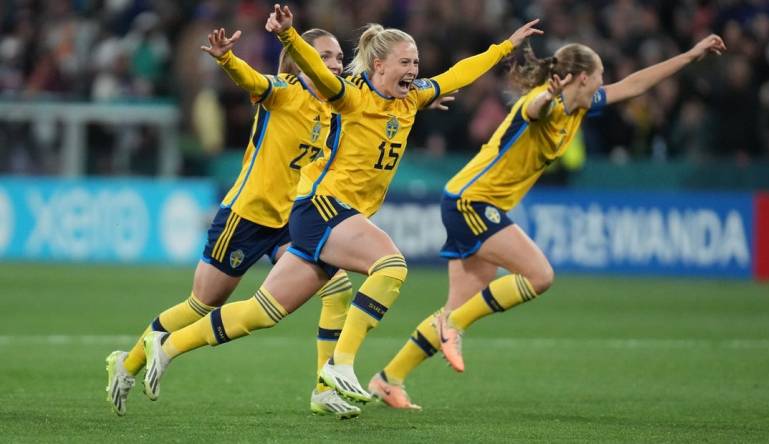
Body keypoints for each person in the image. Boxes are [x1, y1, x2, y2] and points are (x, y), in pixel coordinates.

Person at [139, 3, 543, 408]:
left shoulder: (411, 99)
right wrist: (287, 36)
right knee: (391, 265)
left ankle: (170, 346)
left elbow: (459, 74)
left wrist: (505, 46)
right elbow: (314, 70)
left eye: (416, 62)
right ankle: (341, 366)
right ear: (379, 65)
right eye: (405, 62)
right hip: (322, 207)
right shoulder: (349, 96)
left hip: (338, 215)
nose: (415, 70)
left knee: (262, 311)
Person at [369, 34, 727, 410]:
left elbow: (634, 84)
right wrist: (547, 96)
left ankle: (388, 379)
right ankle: (453, 326)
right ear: (581, 78)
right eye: (599, 76)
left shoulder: (581, 108)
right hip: (470, 201)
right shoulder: (541, 102)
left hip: (475, 202)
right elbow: (535, 108)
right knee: (540, 275)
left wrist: (688, 55)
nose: (604, 84)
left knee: (458, 304)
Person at [106, 27, 362, 418]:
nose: (335, 65)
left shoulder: (334, 106)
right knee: (203, 303)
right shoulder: (283, 91)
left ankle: (323, 388)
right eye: (325, 57)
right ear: (301, 61)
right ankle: (127, 364)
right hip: (246, 215)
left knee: (338, 287)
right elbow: (251, 80)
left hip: (290, 219)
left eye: (338, 57)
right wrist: (227, 59)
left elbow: (379, 94)